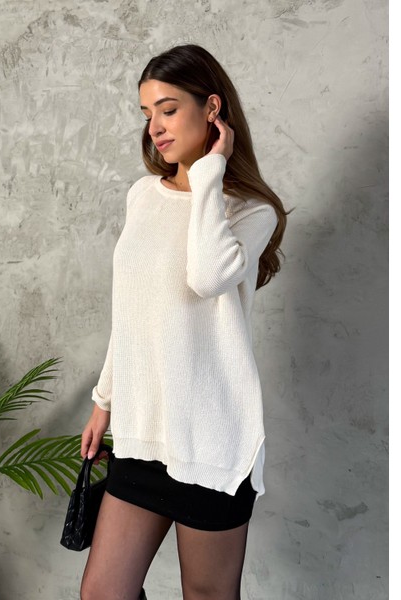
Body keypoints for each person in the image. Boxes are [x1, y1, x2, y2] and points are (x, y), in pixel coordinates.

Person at [79, 43, 288, 600]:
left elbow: (207, 276)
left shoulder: (252, 211)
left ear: (212, 108)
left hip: (213, 444)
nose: (155, 128)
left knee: (207, 595)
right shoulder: (141, 196)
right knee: (102, 593)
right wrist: (104, 401)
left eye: (168, 109)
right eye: (147, 113)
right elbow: (132, 311)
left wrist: (210, 172)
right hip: (143, 433)